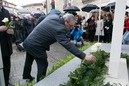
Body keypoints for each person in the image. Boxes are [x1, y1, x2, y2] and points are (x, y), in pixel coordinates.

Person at [22, 13, 96, 82]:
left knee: (29, 60)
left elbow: (41, 18)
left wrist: (37, 31)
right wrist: (84, 56)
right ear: (65, 21)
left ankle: (26, 76)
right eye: (70, 26)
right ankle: (40, 83)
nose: (71, 28)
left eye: (72, 26)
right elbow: (67, 44)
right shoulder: (59, 29)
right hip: (36, 45)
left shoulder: (54, 16)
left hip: (29, 41)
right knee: (43, 63)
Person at [0, 0, 14, 85]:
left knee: (7, 65)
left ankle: (6, 82)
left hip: (6, 43)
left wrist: (11, 30)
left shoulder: (6, 11)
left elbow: (10, 24)